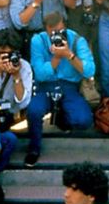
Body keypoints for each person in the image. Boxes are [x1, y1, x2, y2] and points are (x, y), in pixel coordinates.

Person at [24, 12, 95, 168]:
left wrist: (69, 54)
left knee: (84, 120)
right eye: (53, 33)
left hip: (68, 86)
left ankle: (63, 117)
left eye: (60, 31)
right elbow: (40, 74)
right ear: (46, 30)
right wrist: (56, 58)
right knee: (34, 111)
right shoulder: (38, 40)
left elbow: (89, 71)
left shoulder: (77, 40)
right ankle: (34, 148)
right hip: (45, 86)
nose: (57, 36)